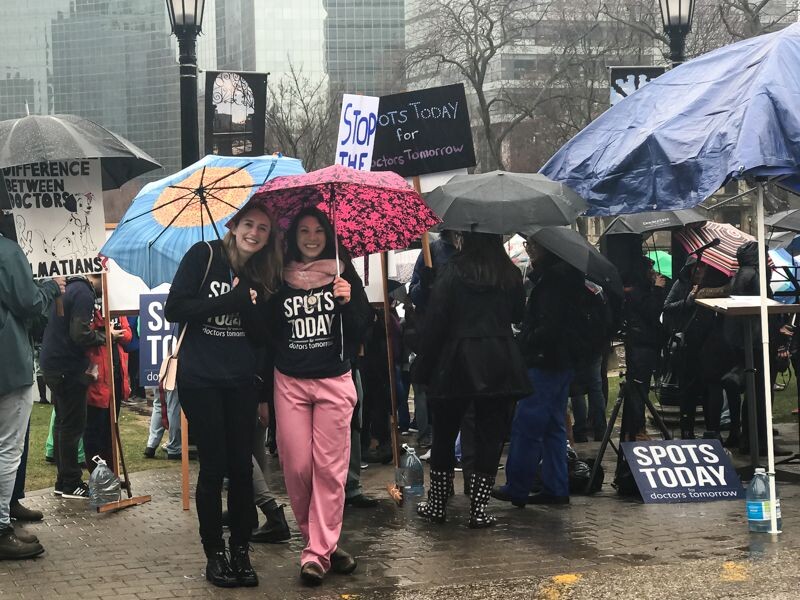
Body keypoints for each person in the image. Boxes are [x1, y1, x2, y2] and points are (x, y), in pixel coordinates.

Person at [164, 204, 279, 588]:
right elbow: (174, 308)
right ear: (233, 226)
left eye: (263, 228)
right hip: (201, 380)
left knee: (243, 471)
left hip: (241, 381)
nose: (255, 233)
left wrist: (246, 304)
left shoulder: (262, 274)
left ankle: (241, 552)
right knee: (213, 469)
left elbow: (264, 337)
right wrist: (226, 302)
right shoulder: (204, 255)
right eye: (249, 224)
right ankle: (214, 555)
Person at [265, 207, 371, 586]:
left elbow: (362, 332)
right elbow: (268, 333)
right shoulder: (279, 277)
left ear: (329, 235)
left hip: (333, 380)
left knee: (330, 470)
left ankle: (315, 553)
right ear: (293, 237)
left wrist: (348, 301)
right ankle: (323, 545)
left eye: (318, 231)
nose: (311, 237)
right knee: (297, 468)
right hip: (290, 381)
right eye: (304, 231)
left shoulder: (344, 273)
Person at [413, 232, 530, 528]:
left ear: (467, 237)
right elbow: (518, 313)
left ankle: (438, 504)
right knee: (490, 436)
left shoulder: (452, 270)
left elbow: (437, 320)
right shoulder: (509, 273)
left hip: (456, 359)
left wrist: (424, 365)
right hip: (499, 358)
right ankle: (479, 509)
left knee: (444, 432)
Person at [492, 238, 588, 507]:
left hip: (545, 361)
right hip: (560, 362)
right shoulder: (565, 278)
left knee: (527, 425)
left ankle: (518, 486)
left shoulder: (552, 283)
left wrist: (524, 341)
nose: (529, 245)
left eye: (534, 242)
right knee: (553, 428)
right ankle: (556, 486)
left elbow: (548, 327)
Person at [0, 216, 63, 559]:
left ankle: (7, 514)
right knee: (8, 450)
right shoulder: (7, 252)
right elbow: (30, 304)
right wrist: (52, 286)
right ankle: (0, 526)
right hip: (8, 365)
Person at [40, 273, 106, 500]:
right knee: (71, 426)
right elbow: (80, 333)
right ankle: (70, 482)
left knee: (62, 424)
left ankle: (64, 480)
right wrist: (103, 337)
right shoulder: (84, 293)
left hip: (54, 363)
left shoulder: (68, 288)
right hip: (67, 367)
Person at [84, 313, 130, 466]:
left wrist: (114, 335)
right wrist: (109, 334)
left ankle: (111, 472)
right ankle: (98, 475)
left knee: (111, 429)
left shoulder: (117, 310)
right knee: (95, 431)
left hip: (116, 376)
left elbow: (128, 335)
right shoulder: (91, 307)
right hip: (99, 379)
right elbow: (85, 334)